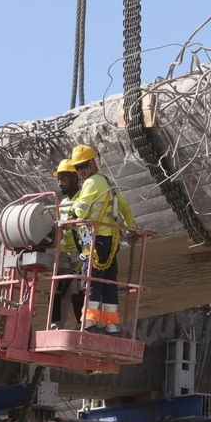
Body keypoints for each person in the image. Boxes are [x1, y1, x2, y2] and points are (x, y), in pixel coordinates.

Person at [68, 143, 135, 334]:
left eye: (82, 166)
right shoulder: (109, 182)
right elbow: (124, 207)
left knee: (91, 281)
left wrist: (72, 210)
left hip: (95, 241)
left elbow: (81, 211)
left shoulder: (91, 183)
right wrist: (131, 229)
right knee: (108, 283)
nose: (80, 171)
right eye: (77, 168)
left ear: (92, 163)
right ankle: (111, 324)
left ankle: (89, 323)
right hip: (111, 242)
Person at [51, 158, 84, 327]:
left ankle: (82, 325)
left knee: (78, 289)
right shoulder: (63, 203)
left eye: (63, 179)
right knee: (58, 290)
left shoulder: (83, 198)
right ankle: (55, 326)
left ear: (74, 178)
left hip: (81, 253)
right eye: (58, 179)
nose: (59, 183)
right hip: (65, 254)